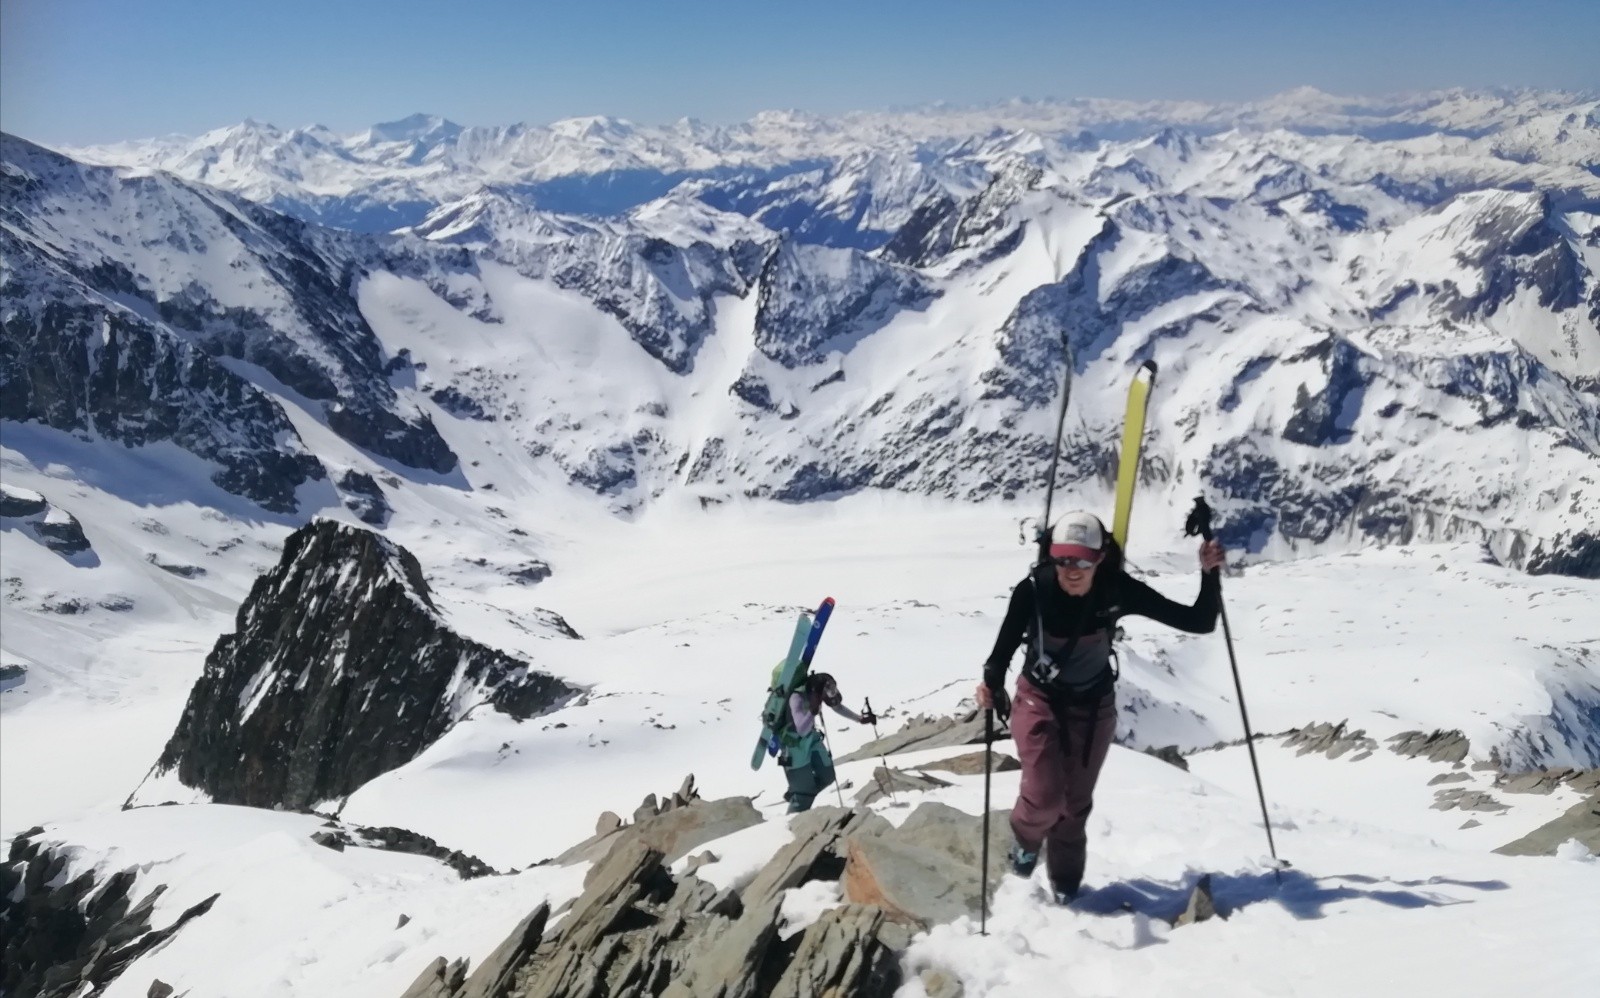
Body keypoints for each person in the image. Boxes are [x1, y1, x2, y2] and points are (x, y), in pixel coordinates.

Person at [976, 510, 1224, 902]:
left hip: (1093, 708)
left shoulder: (1116, 589)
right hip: (1039, 699)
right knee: (1044, 795)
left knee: (1074, 807)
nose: (1071, 570)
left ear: (1099, 558)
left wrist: (1209, 573)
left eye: (1082, 561)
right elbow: (1001, 651)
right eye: (1063, 560)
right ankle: (1025, 842)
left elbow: (1199, 621)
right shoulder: (1034, 589)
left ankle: (1066, 888)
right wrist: (990, 684)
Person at [780, 672, 875, 813]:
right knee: (803, 793)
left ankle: (801, 791)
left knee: (827, 776)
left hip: (811, 739)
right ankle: (795, 808)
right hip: (793, 746)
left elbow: (837, 706)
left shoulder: (817, 692)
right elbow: (801, 729)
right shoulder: (796, 697)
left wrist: (860, 719)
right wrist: (812, 711)